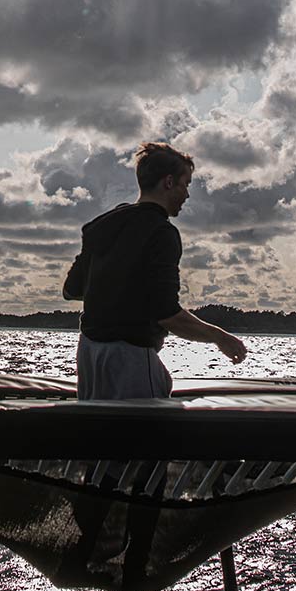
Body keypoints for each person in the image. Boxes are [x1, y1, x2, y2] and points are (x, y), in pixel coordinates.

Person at [64, 141, 247, 399]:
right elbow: (167, 314)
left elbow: (71, 290)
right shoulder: (162, 233)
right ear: (169, 182)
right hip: (130, 357)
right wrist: (220, 337)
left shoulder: (101, 225)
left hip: (89, 356)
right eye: (186, 184)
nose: (187, 194)